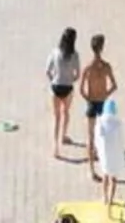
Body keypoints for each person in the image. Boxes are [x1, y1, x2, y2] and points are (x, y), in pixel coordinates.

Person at [78, 34, 117, 181]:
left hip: (92, 103)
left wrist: (89, 98)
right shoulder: (107, 67)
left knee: (90, 136)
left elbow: (81, 89)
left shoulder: (88, 68)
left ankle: (91, 170)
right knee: (104, 136)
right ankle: (105, 166)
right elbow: (114, 85)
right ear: (102, 48)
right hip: (103, 103)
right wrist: (105, 95)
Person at [45, 27, 80, 159]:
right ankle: (63, 136)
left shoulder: (54, 52)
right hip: (68, 87)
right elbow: (78, 74)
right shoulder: (75, 55)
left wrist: (53, 80)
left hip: (55, 86)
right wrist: (71, 79)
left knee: (56, 116)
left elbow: (47, 70)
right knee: (66, 112)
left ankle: (55, 147)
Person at [93, 99, 125, 209]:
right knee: (114, 178)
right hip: (116, 154)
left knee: (105, 176)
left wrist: (97, 150)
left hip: (105, 154)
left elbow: (97, 138)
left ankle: (105, 197)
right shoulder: (118, 123)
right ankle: (112, 199)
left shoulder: (100, 122)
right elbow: (122, 140)